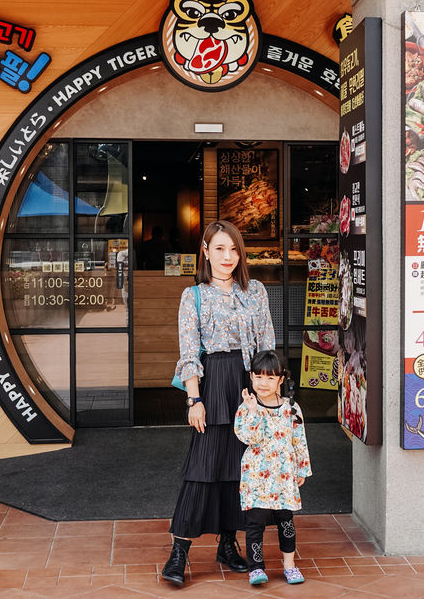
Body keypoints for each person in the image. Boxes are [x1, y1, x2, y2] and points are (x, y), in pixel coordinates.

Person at [162, 220, 276, 586]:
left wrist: (266, 397)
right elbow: (188, 353)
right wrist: (194, 399)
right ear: (206, 252)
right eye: (220, 249)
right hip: (212, 384)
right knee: (202, 467)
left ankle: (228, 544)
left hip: (247, 385)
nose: (228, 256)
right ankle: (179, 552)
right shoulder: (193, 295)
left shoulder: (255, 291)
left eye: (233, 249)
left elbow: (266, 349)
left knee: (241, 469)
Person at [234, 350, 312, 586]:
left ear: (281, 379)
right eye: (258, 377)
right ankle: (256, 568)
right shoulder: (246, 408)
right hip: (256, 476)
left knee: (286, 520)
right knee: (254, 523)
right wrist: (254, 411)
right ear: (251, 377)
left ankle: (289, 565)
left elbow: (300, 440)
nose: (263, 383)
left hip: (284, 474)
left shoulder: (292, 408)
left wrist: (302, 469)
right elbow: (248, 437)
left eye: (270, 378)